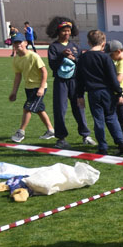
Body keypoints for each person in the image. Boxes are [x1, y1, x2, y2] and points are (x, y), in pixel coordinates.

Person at [75, 30, 123, 155]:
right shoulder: (105, 57)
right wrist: (119, 92)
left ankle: (102, 146)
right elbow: (112, 78)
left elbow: (79, 78)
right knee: (111, 117)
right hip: (107, 92)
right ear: (103, 43)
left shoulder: (83, 58)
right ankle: (121, 142)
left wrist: (79, 95)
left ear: (88, 42)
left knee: (98, 119)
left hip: (93, 92)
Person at [46, 16, 94, 149]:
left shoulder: (75, 46)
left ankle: (85, 135)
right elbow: (53, 65)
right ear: (57, 31)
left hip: (75, 81)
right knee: (60, 109)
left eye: (68, 31)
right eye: (63, 31)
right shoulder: (54, 47)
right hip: (61, 82)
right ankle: (61, 138)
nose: (66, 33)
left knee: (79, 107)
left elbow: (81, 63)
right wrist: (62, 56)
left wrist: (75, 59)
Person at [8, 33, 54, 143]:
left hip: (38, 87)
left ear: (26, 43)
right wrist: (14, 92)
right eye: (15, 42)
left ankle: (21, 132)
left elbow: (44, 72)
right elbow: (18, 76)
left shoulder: (34, 56)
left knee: (27, 108)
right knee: (39, 110)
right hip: (28, 88)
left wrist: (42, 88)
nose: (17, 44)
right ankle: (51, 130)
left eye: (20, 42)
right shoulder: (16, 59)